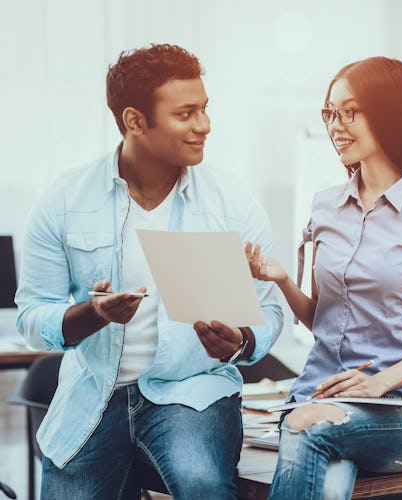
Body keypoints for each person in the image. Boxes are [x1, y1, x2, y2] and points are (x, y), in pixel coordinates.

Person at [15, 44, 283, 499]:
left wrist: (243, 341)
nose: (205, 125)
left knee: (203, 485)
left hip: (191, 392)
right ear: (135, 121)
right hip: (93, 396)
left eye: (204, 109)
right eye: (186, 113)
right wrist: (92, 314)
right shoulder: (64, 199)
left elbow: (271, 311)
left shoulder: (231, 202)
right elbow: (31, 319)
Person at [247, 56, 402, 500]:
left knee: (307, 429)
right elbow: (323, 321)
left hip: (399, 411)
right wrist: (282, 281)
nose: (336, 125)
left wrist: (377, 383)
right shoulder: (325, 206)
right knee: (329, 484)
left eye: (350, 112)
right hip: (317, 398)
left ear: (388, 114)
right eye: (330, 113)